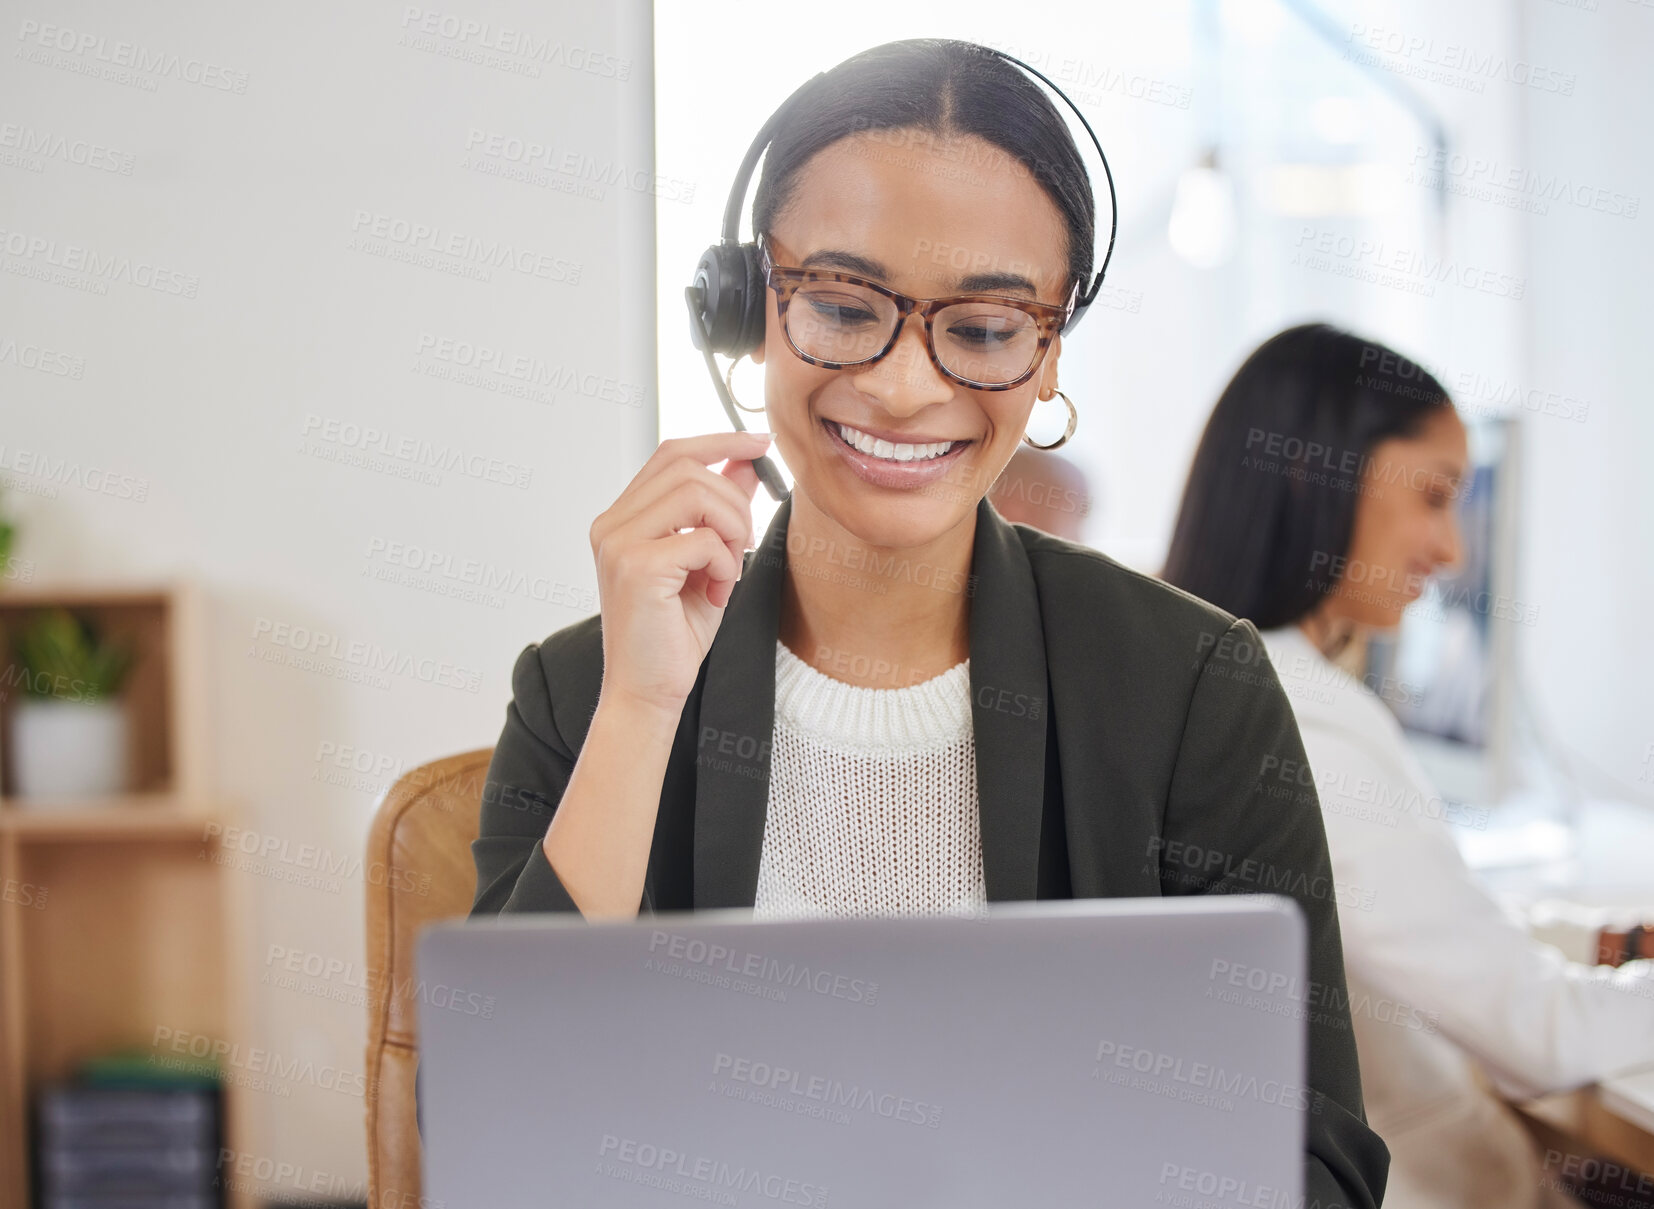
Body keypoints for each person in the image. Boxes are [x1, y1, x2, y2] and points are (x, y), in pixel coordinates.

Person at [459, 42, 1388, 1204]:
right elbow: (505, 1142)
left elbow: (1316, 1164)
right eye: (845, 308)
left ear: (1049, 355)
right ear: (750, 310)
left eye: (987, 330)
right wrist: (642, 708)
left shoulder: (1193, 686)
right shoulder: (582, 688)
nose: (903, 387)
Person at [1162, 322, 1654, 1209]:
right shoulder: (1298, 713)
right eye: (1433, 495)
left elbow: (1403, 929)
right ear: (1320, 473)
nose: (1453, 549)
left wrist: (1604, 944)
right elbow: (1540, 1033)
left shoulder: (1217, 676)